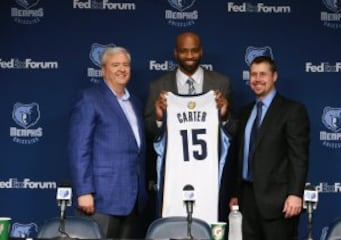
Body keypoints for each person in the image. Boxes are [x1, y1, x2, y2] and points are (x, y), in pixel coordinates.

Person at [144, 31, 237, 221]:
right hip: (175, 174)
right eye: (184, 51)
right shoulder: (159, 85)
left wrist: (224, 116)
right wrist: (159, 119)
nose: (189, 56)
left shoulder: (221, 83)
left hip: (208, 174)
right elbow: (149, 130)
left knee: (207, 223)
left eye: (194, 51)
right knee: (175, 224)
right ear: (175, 53)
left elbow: (233, 131)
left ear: (201, 52)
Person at [68, 46, 148, 239]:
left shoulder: (135, 102)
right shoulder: (90, 98)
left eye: (126, 65)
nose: (122, 69)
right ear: (103, 70)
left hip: (132, 198)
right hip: (101, 198)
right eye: (115, 65)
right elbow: (79, 148)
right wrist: (84, 191)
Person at [228, 56, 310, 240]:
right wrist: (235, 193)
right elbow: (240, 156)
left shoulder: (292, 110)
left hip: (279, 202)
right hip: (246, 199)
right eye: (253, 75)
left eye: (263, 74)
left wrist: (295, 194)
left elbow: (298, 156)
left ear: (274, 76)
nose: (257, 79)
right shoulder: (244, 112)